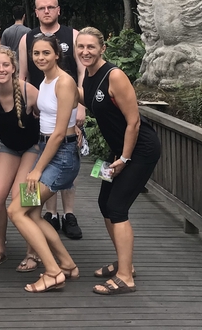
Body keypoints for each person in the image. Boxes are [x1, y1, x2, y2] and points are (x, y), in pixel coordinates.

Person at [76, 27, 161, 295]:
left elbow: (133, 121)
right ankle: (126, 264)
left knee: (117, 207)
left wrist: (124, 157)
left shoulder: (114, 75)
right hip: (117, 152)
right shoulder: (88, 77)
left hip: (139, 150)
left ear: (102, 48)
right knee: (104, 204)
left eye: (91, 47)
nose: (85, 52)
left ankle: (126, 277)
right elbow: (82, 99)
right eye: (81, 47)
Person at [8, 35, 81, 292]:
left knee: (16, 211)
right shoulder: (46, 80)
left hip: (60, 156)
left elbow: (60, 132)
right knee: (33, 213)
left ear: (57, 54)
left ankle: (52, 272)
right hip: (46, 151)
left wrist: (37, 169)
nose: (40, 58)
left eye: (46, 53)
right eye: (36, 53)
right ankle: (67, 264)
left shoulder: (64, 81)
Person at [17, 0, 85, 241]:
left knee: (24, 205)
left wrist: (82, 107)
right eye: (41, 8)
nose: (46, 11)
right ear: (35, 12)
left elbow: (82, 74)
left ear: (58, 10)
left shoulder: (72, 36)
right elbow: (23, 76)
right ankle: (51, 215)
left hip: (64, 126)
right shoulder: (28, 39)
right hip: (43, 116)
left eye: (50, 7)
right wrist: (25, 104)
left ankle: (68, 214)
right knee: (34, 195)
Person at [0, 46, 40, 271]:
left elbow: (55, 113)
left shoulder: (29, 92)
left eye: (5, 65)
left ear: (14, 67)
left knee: (24, 196)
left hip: (33, 147)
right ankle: (0, 249)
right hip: (8, 147)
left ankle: (33, 251)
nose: (1, 69)